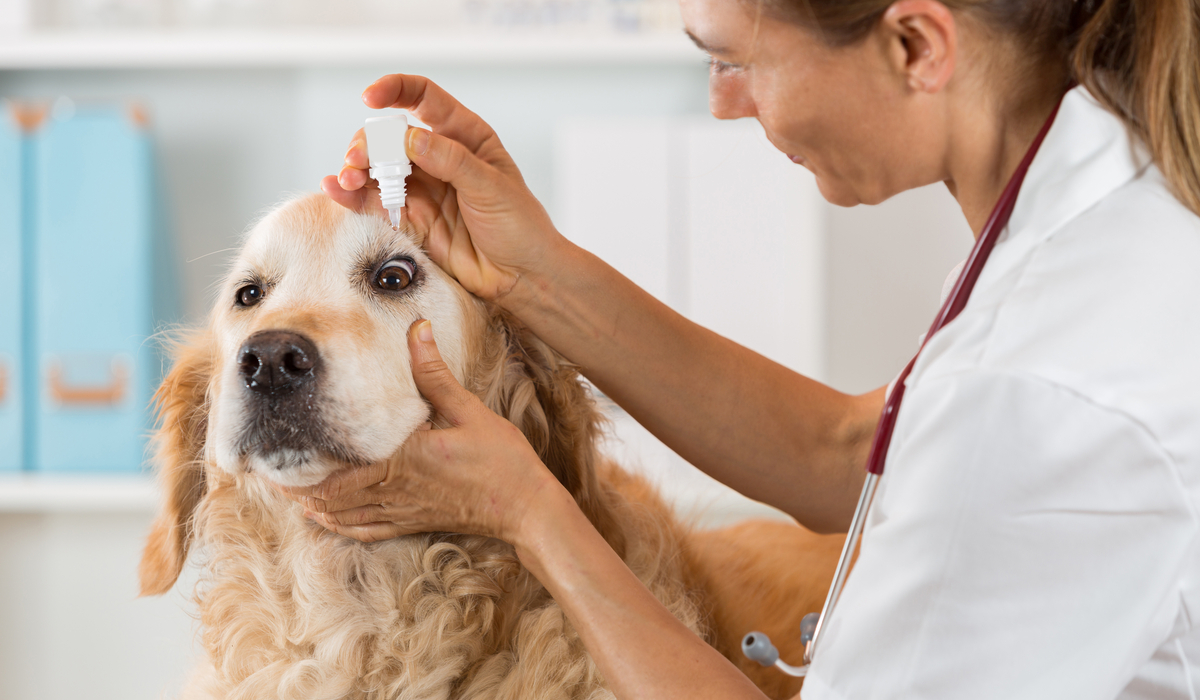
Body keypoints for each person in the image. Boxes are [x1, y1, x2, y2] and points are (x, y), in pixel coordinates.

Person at [279, 0, 1200, 697]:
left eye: (733, 61)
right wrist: (534, 273)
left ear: (915, 45)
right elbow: (848, 451)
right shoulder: (1117, 212)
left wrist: (531, 510)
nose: (724, 105)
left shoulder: (1039, 385)